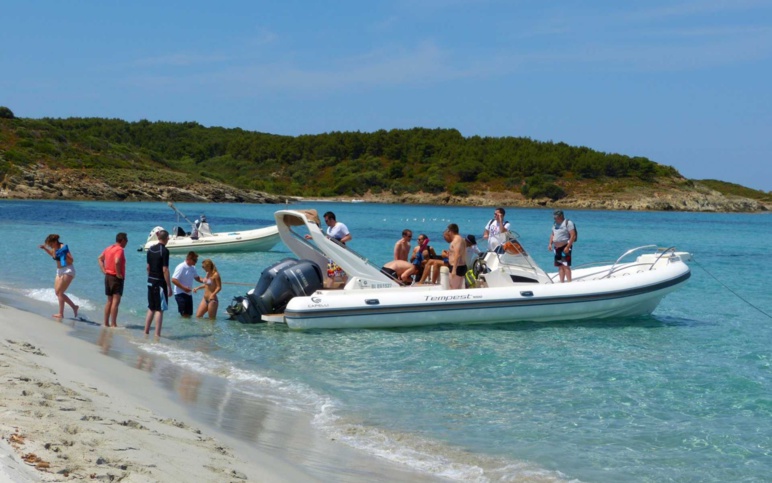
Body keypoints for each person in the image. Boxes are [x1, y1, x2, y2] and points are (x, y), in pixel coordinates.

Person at [39, 234, 79, 319]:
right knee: (57, 293)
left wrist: (64, 255)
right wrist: (45, 249)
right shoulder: (54, 248)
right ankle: (74, 307)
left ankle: (61, 313)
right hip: (59, 271)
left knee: (60, 292)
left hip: (68, 270)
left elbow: (71, 260)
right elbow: (53, 255)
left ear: (55, 242)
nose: (50, 246)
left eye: (50, 244)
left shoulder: (63, 247)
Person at [97, 232, 128, 327]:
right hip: (115, 277)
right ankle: (113, 323)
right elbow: (117, 261)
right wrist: (118, 273)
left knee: (109, 300)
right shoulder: (120, 249)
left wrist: (104, 270)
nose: (127, 242)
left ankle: (106, 322)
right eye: (126, 240)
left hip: (108, 276)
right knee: (116, 301)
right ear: (122, 240)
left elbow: (99, 258)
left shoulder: (109, 248)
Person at [144, 229, 171, 336]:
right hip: (159, 283)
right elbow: (165, 269)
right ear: (166, 238)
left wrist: (150, 278)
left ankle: (146, 331)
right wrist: (169, 286)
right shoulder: (164, 251)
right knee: (159, 309)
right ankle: (157, 334)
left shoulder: (150, 249)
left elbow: (148, 267)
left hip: (150, 281)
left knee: (151, 307)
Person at [171, 251, 203, 317]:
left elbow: (197, 278)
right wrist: (184, 288)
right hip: (180, 293)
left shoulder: (193, 268)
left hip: (188, 294)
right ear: (188, 259)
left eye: (196, 260)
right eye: (194, 260)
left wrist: (206, 280)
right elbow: (174, 280)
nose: (195, 262)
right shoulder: (181, 267)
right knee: (184, 315)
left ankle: (188, 327)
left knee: (189, 315)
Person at [548, 210, 576, 283]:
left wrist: (568, 247)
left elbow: (573, 235)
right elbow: (552, 234)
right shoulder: (555, 223)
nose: (555, 219)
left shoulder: (568, 223)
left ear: (561, 216)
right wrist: (550, 244)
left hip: (565, 247)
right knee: (560, 265)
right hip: (557, 248)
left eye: (556, 217)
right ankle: (561, 282)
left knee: (565, 265)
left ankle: (569, 282)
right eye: (554, 217)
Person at [444, 224, 467, 290]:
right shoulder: (461, 239)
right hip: (460, 266)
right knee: (458, 288)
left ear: (450, 231)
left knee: (453, 288)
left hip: (456, 266)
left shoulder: (456, 240)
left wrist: (454, 270)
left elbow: (457, 254)